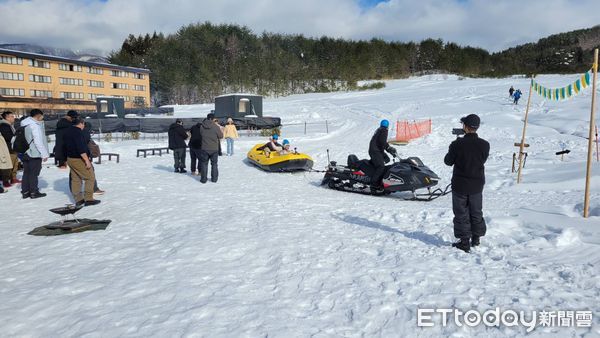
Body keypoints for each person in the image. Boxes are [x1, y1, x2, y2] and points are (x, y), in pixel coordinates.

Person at [444, 114, 490, 253]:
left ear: (465, 126)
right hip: (477, 185)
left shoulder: (457, 144)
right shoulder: (485, 144)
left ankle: (464, 242)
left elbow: (448, 161)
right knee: (476, 211)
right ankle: (476, 238)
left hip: (460, 185)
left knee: (461, 213)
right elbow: (481, 160)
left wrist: (454, 146)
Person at [64, 118, 100, 206]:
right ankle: (88, 199)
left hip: (70, 158)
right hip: (79, 159)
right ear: (81, 123)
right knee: (90, 177)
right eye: (83, 124)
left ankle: (78, 199)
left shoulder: (67, 131)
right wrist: (87, 161)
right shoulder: (78, 132)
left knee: (76, 179)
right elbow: (81, 148)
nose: (84, 126)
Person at [20, 109, 50, 199]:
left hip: (25, 151)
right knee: (34, 173)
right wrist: (44, 154)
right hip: (34, 152)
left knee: (26, 172)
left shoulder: (23, 123)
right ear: (38, 116)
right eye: (42, 116)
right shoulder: (35, 125)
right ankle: (34, 192)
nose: (42, 118)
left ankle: (25, 191)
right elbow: (38, 141)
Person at [368, 119, 397, 191]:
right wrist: (389, 149)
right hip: (375, 151)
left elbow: (382, 142)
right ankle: (374, 184)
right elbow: (382, 142)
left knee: (385, 161)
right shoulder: (384, 130)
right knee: (381, 166)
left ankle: (377, 179)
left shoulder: (380, 130)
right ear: (387, 126)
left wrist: (387, 150)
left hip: (375, 150)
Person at [199, 113, 223, 183]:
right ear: (213, 119)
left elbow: (201, 134)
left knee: (204, 164)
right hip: (214, 148)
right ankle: (214, 179)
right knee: (214, 164)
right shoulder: (216, 127)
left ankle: (203, 179)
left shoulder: (202, 126)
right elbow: (221, 136)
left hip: (204, 148)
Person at [0, 111, 20, 187]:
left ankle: (13, 178)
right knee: (8, 165)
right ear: (7, 117)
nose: (13, 118)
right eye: (11, 116)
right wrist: (16, 137)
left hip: (13, 147)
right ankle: (5, 181)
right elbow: (8, 137)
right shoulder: (4, 125)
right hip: (7, 148)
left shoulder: (9, 125)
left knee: (15, 163)